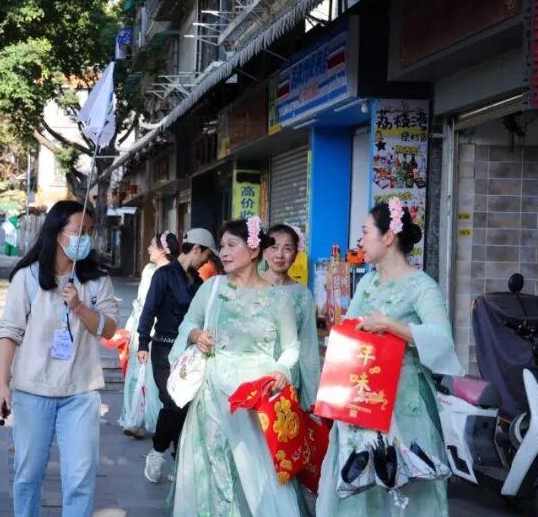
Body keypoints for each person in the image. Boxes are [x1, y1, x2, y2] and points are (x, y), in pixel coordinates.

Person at [317, 201, 464, 517]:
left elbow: (441, 338)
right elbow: (350, 333)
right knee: (359, 487)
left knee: (406, 489)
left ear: (388, 238)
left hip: (405, 402)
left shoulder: (422, 286)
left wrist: (390, 326)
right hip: (363, 399)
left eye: (365, 231)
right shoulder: (368, 283)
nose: (361, 240)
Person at [168, 217, 306, 515]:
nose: (224, 252)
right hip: (213, 398)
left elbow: (292, 347)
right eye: (221, 247)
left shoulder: (278, 299)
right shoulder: (213, 288)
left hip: (256, 402)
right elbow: (188, 322)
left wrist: (282, 371)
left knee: (256, 474)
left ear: (254, 250)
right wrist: (195, 335)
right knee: (213, 466)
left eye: (232, 245)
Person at [0, 200, 120, 517]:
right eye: (78, 230)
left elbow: (108, 329)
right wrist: (2, 385)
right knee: (28, 476)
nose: (85, 238)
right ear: (56, 231)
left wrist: (80, 307)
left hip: (80, 391)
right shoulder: (27, 277)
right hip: (32, 390)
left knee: (80, 478)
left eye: (90, 232)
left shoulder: (97, 279)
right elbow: (9, 332)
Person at [137, 228, 215, 482]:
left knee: (186, 404)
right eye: (205, 255)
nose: (206, 262)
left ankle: (179, 459)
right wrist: (142, 342)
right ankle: (157, 453)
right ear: (196, 249)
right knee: (172, 402)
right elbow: (148, 310)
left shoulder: (199, 282)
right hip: (163, 349)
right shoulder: (164, 275)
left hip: (188, 352)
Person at [262, 223, 321, 411]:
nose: (279, 255)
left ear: (296, 254)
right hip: (254, 379)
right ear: (263, 251)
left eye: (287, 248)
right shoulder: (250, 287)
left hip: (287, 383)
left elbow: (308, 349)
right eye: (273, 247)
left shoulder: (302, 294)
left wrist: (312, 400)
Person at [117, 233, 168, 438]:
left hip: (157, 330)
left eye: (152, 246)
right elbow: (139, 301)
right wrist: (131, 326)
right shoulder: (148, 270)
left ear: (164, 249)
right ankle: (133, 419)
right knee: (134, 374)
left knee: (152, 378)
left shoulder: (169, 273)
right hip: (142, 327)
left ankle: (154, 421)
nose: (148, 248)